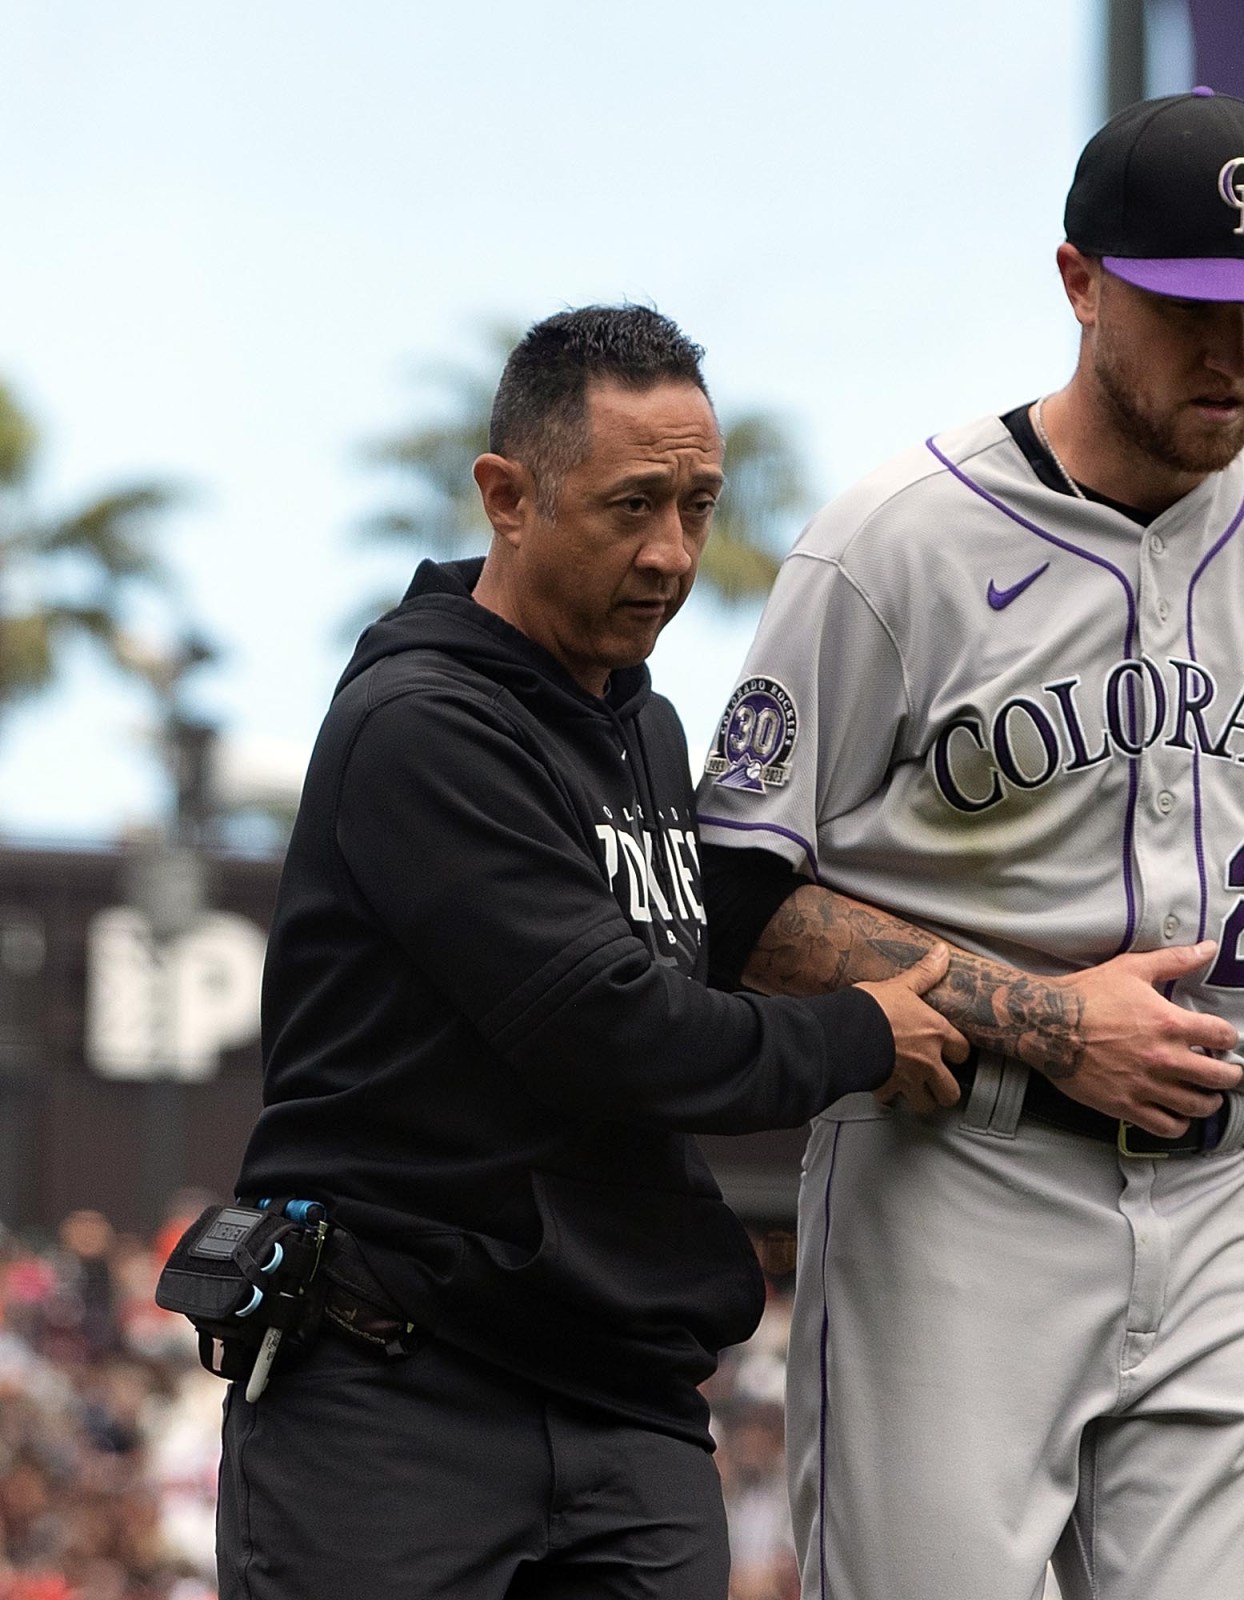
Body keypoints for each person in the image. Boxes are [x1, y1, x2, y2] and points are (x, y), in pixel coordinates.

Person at [694, 89, 1244, 1600]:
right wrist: (1040, 1014)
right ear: (1080, 283)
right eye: (1190, 305)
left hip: (1217, 1198)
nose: (1234, 353)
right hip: (952, 1181)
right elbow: (736, 898)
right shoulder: (894, 541)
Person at [221, 305, 964, 1599]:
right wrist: (861, 1033)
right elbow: (614, 1029)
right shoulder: (421, 726)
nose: (672, 552)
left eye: (698, 504)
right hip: (398, 1399)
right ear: (506, 496)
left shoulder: (644, 722)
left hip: (621, 1398)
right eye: (631, 506)